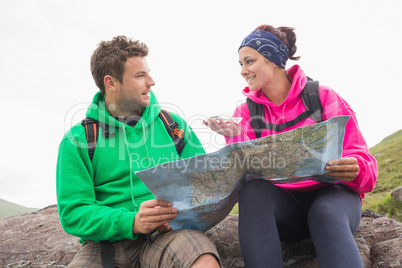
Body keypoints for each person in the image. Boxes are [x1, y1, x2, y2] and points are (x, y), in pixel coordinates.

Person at [206, 25, 378, 267]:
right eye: (240, 64)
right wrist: (234, 138)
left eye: (249, 61)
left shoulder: (323, 97)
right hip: (286, 211)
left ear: (273, 59)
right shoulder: (245, 112)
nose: (243, 71)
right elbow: (245, 173)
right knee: (252, 191)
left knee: (325, 213)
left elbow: (365, 165)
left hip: (334, 200)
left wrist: (357, 168)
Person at [56, 36, 221, 268]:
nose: (151, 82)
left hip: (167, 236)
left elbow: (203, 183)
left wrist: (181, 215)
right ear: (111, 83)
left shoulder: (173, 125)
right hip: (104, 245)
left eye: (148, 73)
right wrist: (131, 222)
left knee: (204, 260)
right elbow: (74, 212)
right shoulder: (77, 140)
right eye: (140, 75)